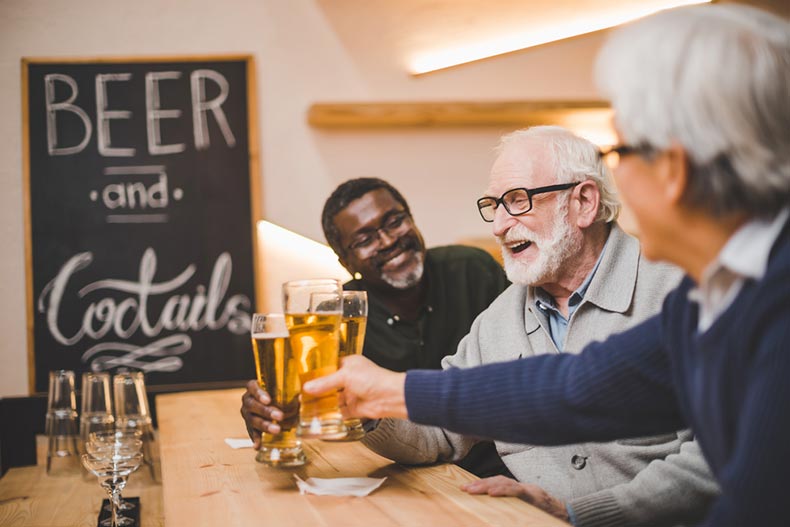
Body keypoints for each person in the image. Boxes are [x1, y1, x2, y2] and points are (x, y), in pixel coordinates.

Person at [303, 5, 790, 527]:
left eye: (623, 151)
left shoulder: (762, 304)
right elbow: (579, 388)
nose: (617, 180)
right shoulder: (721, 295)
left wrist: (582, 513)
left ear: (672, 168)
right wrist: (380, 394)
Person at [359, 126, 717, 527]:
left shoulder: (684, 290)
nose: (498, 225)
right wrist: (366, 412)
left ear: (583, 202)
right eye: (493, 205)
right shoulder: (496, 321)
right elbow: (440, 432)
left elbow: (719, 453)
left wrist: (581, 515)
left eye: (517, 200)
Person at [240, 177, 510, 477]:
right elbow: (300, 394)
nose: (387, 241)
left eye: (394, 222)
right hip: (406, 480)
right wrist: (271, 411)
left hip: (503, 471)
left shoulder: (473, 270)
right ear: (345, 261)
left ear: (412, 219)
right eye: (365, 239)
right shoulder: (334, 318)